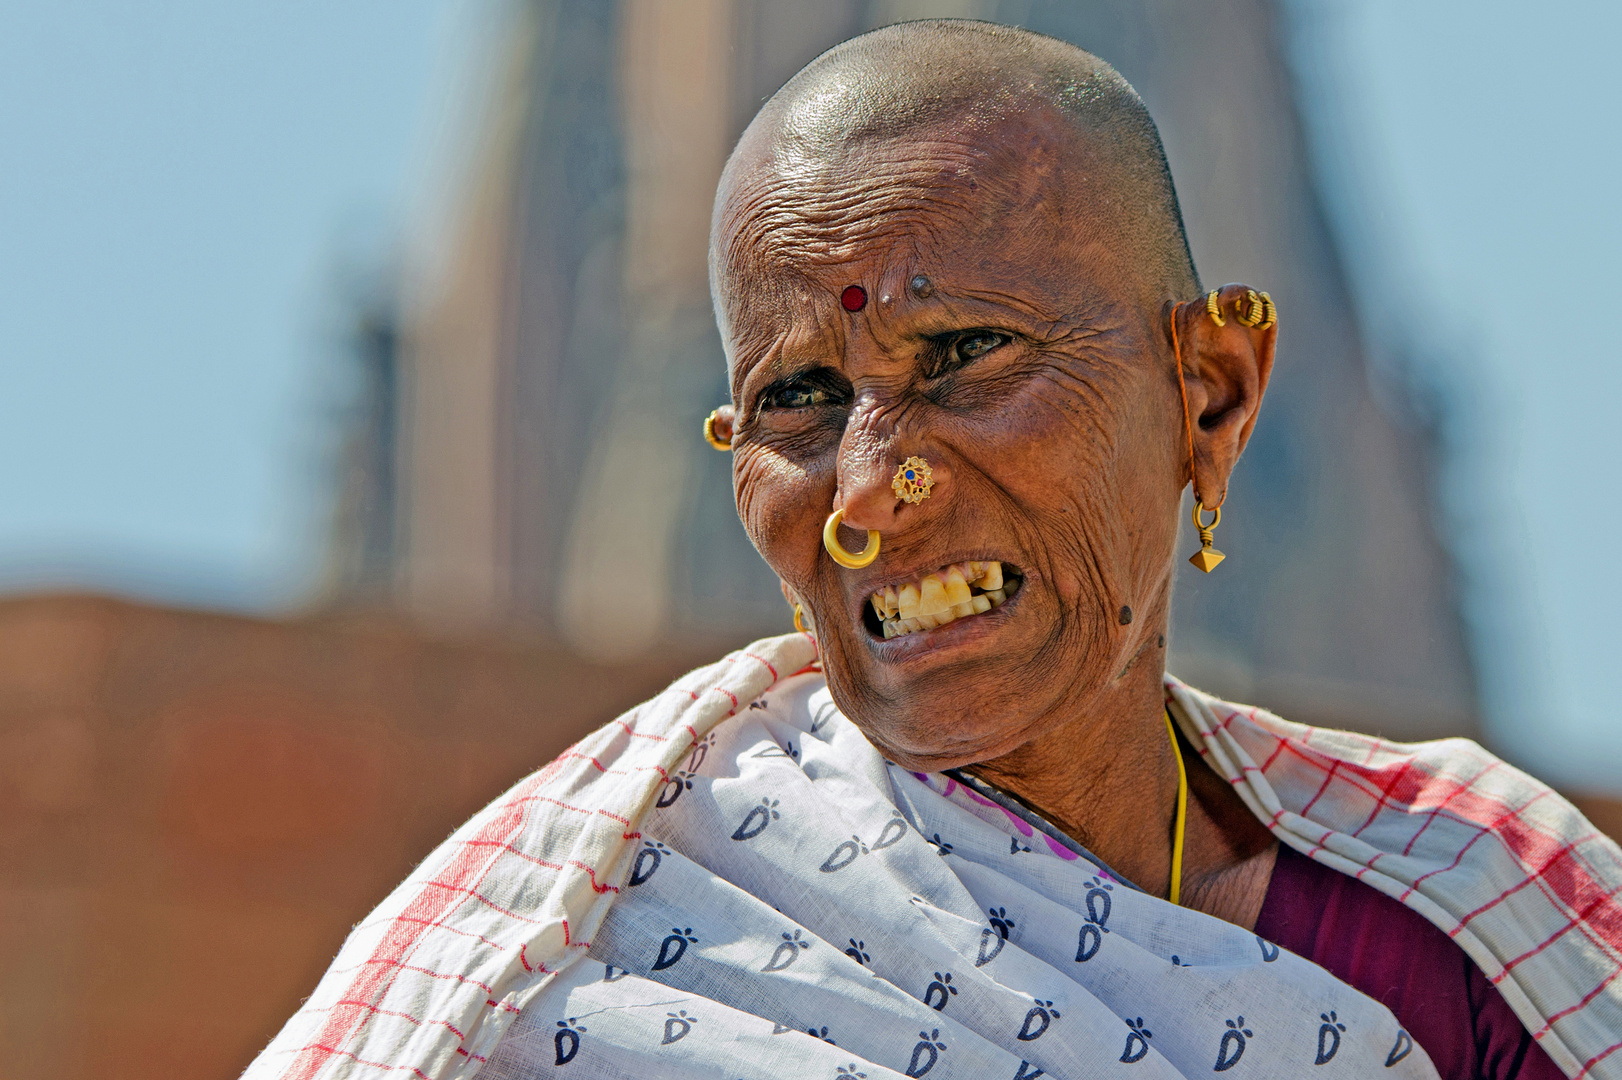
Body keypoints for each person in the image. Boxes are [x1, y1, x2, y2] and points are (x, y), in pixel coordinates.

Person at [245, 21, 1620, 1080]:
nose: (870, 484)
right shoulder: (547, 960)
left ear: (1206, 397)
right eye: (798, 398)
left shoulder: (1471, 915)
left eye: (965, 356)